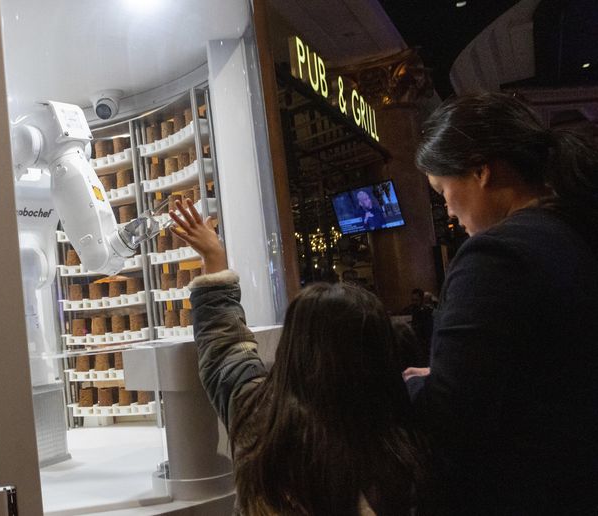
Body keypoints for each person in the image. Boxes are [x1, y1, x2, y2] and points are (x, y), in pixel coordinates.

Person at [169, 199, 427, 516]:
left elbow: (225, 349)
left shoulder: (261, 417)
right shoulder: (406, 449)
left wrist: (213, 257)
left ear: (292, 346)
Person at [406, 92, 598, 514]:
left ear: (480, 171)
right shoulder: (573, 230)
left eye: (442, 191)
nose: (448, 211)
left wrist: (415, 386)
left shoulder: (495, 257)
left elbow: (452, 418)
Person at [401, 288, 434, 361]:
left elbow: (428, 332)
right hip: (413, 343)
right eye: (412, 300)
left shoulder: (427, 312)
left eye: (416, 300)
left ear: (422, 300)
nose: (414, 302)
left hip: (424, 344)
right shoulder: (409, 310)